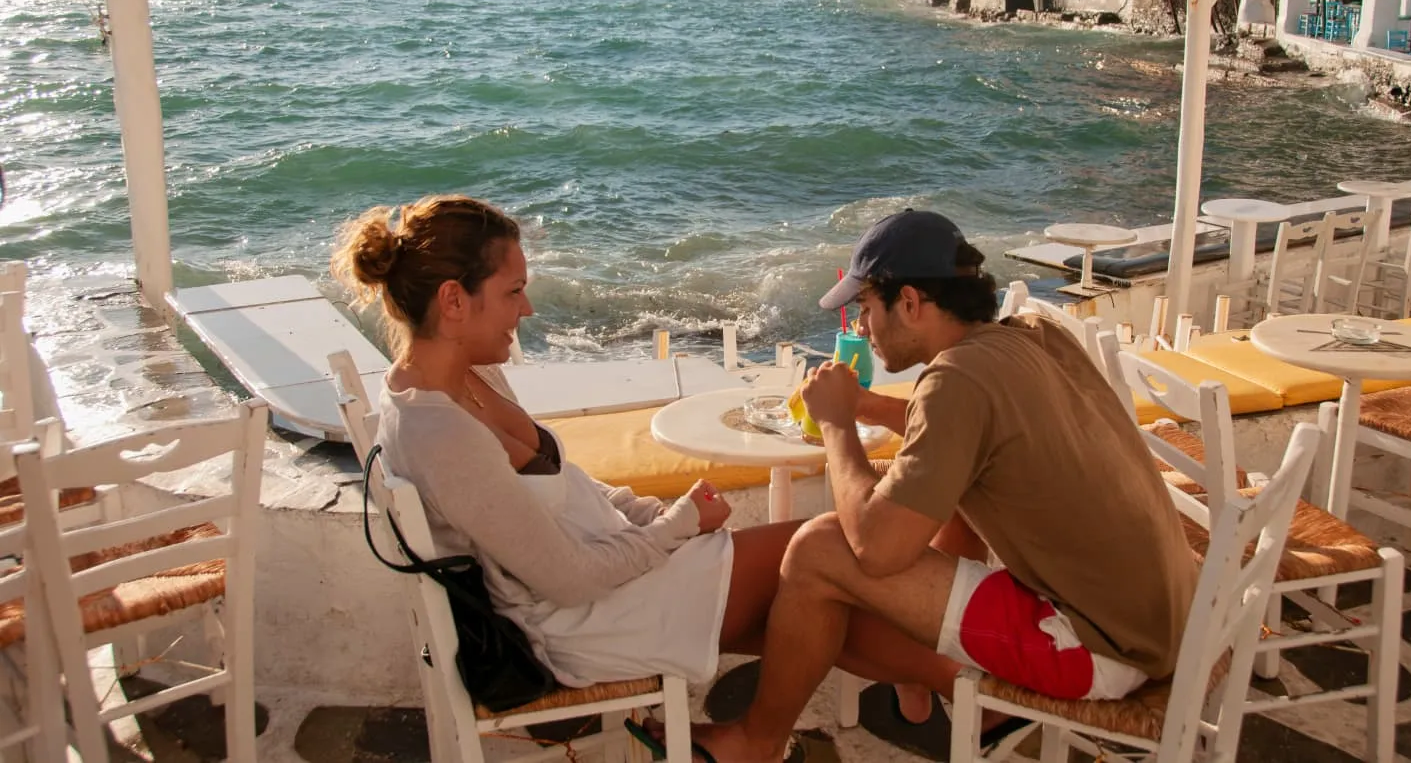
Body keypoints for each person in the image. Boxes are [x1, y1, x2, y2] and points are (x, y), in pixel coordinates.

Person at [329, 195, 967, 705]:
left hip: (617, 577)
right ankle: (976, 659)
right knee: (824, 547)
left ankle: (943, 679)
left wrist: (653, 519)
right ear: (453, 301)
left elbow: (568, 489)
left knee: (803, 605)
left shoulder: (467, 374)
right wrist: (678, 526)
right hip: (582, 621)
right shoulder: (439, 433)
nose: (525, 310)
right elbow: (568, 581)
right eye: (512, 292)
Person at [679, 209, 1199, 763]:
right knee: (930, 499)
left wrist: (836, 424)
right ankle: (923, 678)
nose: (863, 326)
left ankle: (756, 742)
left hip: (1097, 647)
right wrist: (870, 407)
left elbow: (875, 550)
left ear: (909, 303)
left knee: (817, 552)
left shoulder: (954, 382)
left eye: (866, 308)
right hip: (1162, 613)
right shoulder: (1032, 336)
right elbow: (968, 428)